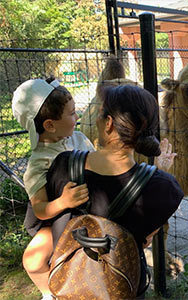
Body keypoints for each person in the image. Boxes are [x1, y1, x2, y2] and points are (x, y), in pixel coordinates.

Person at [45, 84, 184, 298]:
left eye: (100, 114)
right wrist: (158, 173)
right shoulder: (164, 188)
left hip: (68, 285)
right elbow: (145, 239)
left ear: (108, 124)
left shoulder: (63, 165)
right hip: (120, 289)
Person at [12, 77, 95, 300]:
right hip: (59, 217)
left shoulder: (78, 139)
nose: (77, 117)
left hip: (91, 210)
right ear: (50, 125)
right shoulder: (39, 163)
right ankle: (50, 293)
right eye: (72, 113)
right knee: (33, 260)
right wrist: (63, 202)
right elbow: (39, 208)